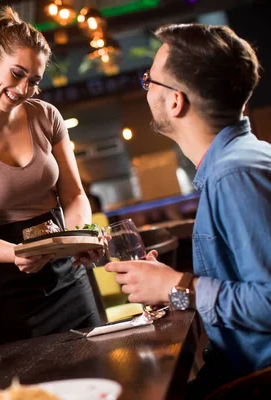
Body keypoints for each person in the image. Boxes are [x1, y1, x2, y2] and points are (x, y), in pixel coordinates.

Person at [104, 24, 271, 398]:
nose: (145, 88)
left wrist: (174, 286)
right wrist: (167, 286)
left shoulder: (234, 174)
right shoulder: (236, 163)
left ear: (176, 101)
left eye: (150, 80)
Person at [0, 7, 100, 343]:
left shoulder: (46, 116)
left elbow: (74, 196)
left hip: (67, 275)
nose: (24, 88)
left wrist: (81, 235)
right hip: (9, 289)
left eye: (34, 80)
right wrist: (19, 254)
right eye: (17, 73)